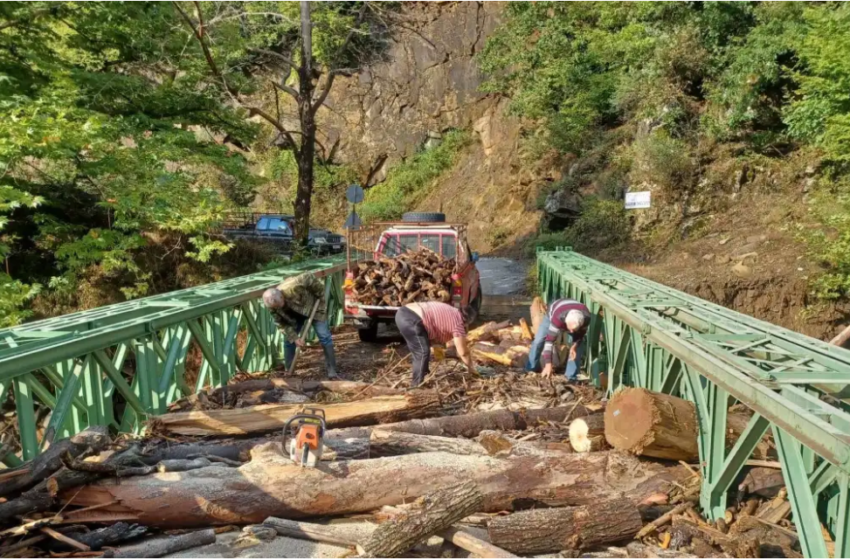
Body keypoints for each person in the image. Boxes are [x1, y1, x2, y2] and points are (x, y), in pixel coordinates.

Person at [262, 272, 338, 378]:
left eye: (281, 303)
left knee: (324, 336)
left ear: (281, 295)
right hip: (293, 317)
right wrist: (295, 338)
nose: (281, 307)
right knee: (289, 341)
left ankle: (332, 369)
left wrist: (321, 297)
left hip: (313, 308)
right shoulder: (271, 305)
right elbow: (281, 323)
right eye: (278, 307)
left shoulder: (293, 285)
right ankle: (290, 370)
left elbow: (309, 276)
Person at [395, 301, 477, 387]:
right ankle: (416, 386)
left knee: (423, 349)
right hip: (412, 318)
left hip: (404, 313)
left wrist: (439, 356)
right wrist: (471, 369)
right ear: (468, 321)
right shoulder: (458, 323)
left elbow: (435, 340)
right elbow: (463, 353)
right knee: (422, 352)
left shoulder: (452, 312)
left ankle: (424, 375)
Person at [526, 298, 591, 381]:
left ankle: (571, 377)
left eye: (573, 330)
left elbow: (581, 335)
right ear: (565, 322)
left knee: (577, 348)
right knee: (538, 341)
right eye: (569, 328)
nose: (570, 332)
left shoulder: (586, 318)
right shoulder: (558, 318)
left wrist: (574, 346)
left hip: (572, 315)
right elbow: (549, 342)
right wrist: (548, 364)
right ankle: (531, 368)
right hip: (553, 314)